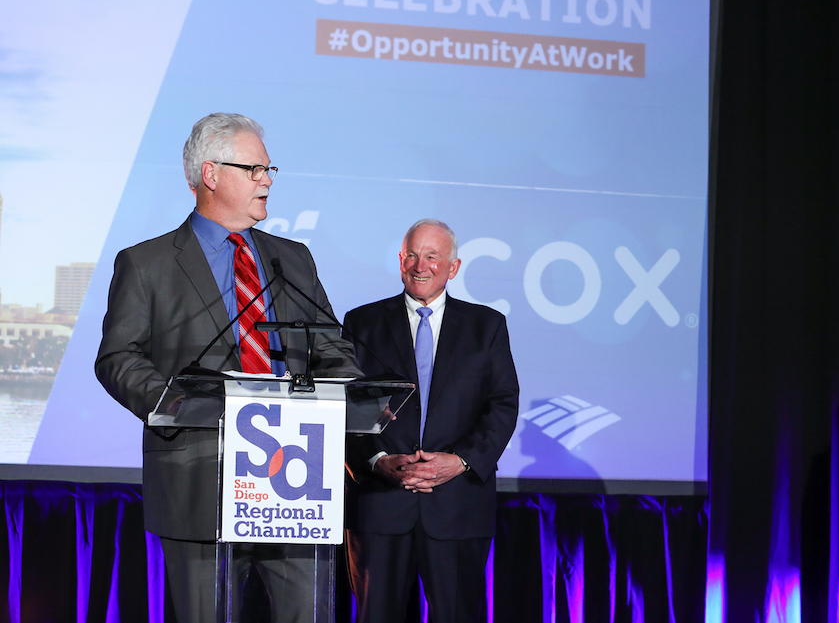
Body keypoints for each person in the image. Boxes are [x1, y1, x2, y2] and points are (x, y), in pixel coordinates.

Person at [95, 112, 361, 623]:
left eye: (269, 170)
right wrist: (177, 401)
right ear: (211, 174)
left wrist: (347, 391)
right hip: (201, 478)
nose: (267, 180)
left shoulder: (293, 259)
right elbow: (117, 358)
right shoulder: (147, 263)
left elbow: (333, 349)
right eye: (255, 169)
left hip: (297, 484)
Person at [343, 218, 520, 623]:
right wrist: (376, 460)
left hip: (457, 506)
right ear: (400, 260)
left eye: (432, 257)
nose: (419, 266)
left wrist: (459, 461)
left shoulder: (486, 326)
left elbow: (503, 404)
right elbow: (347, 404)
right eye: (411, 255)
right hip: (379, 506)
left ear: (453, 268)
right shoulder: (362, 323)